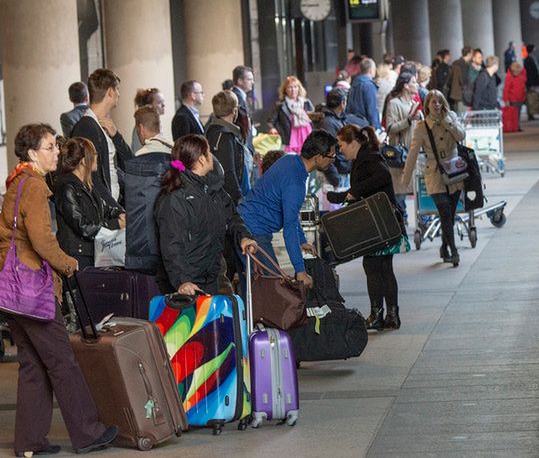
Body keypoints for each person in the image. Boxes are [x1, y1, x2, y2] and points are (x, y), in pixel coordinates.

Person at [0, 123, 119, 456]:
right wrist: (68, 264)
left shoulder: (16, 184)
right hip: (33, 292)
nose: (56, 151)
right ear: (33, 152)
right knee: (63, 363)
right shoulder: (35, 187)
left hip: (11, 293)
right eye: (50, 146)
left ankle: (29, 442)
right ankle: (88, 432)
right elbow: (41, 241)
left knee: (33, 366)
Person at [154, 135, 257, 296]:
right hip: (188, 285)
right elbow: (171, 245)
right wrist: (182, 281)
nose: (212, 156)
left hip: (210, 276)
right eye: (209, 152)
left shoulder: (213, 188)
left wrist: (243, 236)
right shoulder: (174, 198)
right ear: (202, 159)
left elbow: (232, 217)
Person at [238, 130, 338, 288]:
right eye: (332, 156)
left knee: (252, 286)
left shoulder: (290, 161)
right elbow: (289, 228)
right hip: (254, 233)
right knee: (272, 288)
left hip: (244, 224)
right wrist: (300, 271)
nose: (333, 160)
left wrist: (302, 240)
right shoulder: (295, 184)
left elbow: (290, 213)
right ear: (318, 157)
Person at [333, 125, 406, 330]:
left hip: (379, 223)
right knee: (383, 268)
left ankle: (378, 314)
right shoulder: (365, 156)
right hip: (383, 223)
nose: (340, 150)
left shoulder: (368, 158)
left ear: (353, 143)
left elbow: (382, 177)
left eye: (341, 145)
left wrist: (354, 192)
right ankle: (390, 315)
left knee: (374, 268)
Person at [400, 90, 467, 267]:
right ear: (427, 105)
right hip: (435, 173)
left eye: (439, 101)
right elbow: (413, 153)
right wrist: (405, 179)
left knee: (450, 215)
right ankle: (453, 250)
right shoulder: (422, 127)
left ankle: (444, 246)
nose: (436, 105)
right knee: (445, 211)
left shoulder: (451, 117)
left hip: (454, 171)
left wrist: (448, 122)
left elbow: (462, 136)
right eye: (433, 102)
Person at [53, 138, 125, 270]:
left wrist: (120, 213)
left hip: (92, 252)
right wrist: (116, 224)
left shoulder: (86, 185)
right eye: (94, 154)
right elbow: (83, 226)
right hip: (78, 256)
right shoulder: (66, 187)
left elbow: (104, 208)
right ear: (83, 161)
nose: (97, 157)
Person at [70, 68, 134, 206]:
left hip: (112, 205)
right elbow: (92, 178)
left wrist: (116, 136)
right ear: (110, 92)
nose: (119, 94)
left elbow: (130, 163)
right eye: (117, 90)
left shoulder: (103, 125)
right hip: (103, 213)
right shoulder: (86, 127)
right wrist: (115, 210)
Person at [124, 106, 173, 275]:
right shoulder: (175, 156)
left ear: (141, 128)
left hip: (142, 246)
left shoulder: (137, 161)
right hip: (172, 243)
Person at [383, 73, 422, 223]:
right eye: (414, 82)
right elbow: (391, 127)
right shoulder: (394, 104)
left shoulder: (414, 102)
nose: (417, 85)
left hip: (415, 151)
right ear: (406, 85)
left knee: (417, 187)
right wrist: (408, 120)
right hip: (400, 154)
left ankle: (422, 219)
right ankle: (401, 219)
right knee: (400, 190)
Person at [317, 89, 367, 188]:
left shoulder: (338, 120)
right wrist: (335, 178)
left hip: (342, 171)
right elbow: (326, 152)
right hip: (337, 175)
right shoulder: (328, 123)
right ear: (342, 103)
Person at [206, 90, 247, 203]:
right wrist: (238, 197)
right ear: (234, 110)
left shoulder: (211, 130)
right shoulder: (224, 136)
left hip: (217, 195)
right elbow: (228, 171)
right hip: (226, 199)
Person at [274, 75, 315, 155]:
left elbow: (314, 119)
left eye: (295, 87)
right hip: (290, 139)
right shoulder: (281, 105)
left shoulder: (306, 102)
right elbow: (272, 121)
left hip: (307, 135)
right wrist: (278, 130)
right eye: (290, 87)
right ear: (285, 90)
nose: (293, 90)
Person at [346, 58, 382, 129]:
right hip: (365, 127)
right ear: (371, 70)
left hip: (353, 125)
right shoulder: (369, 86)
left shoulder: (354, 84)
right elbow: (372, 110)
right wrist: (377, 129)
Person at [230, 65, 256, 148]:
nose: (253, 82)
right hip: (242, 145)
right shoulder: (236, 97)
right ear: (240, 81)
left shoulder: (241, 96)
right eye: (249, 79)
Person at [447, 46, 473, 112]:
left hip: (454, 94)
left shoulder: (455, 63)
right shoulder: (464, 65)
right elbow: (464, 80)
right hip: (462, 95)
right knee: (462, 114)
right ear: (469, 54)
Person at [503, 62, 527, 127]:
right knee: (514, 114)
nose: (517, 73)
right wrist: (506, 100)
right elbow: (506, 89)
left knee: (518, 113)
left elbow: (524, 72)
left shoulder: (521, 75)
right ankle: (515, 126)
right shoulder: (509, 77)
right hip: (513, 99)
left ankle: (516, 125)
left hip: (520, 98)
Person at [524, 45, 539, 121]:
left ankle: (532, 114)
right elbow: (530, 72)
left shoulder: (531, 58)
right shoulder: (528, 59)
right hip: (531, 82)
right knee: (530, 98)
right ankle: (530, 114)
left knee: (532, 98)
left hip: (532, 82)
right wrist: (530, 83)